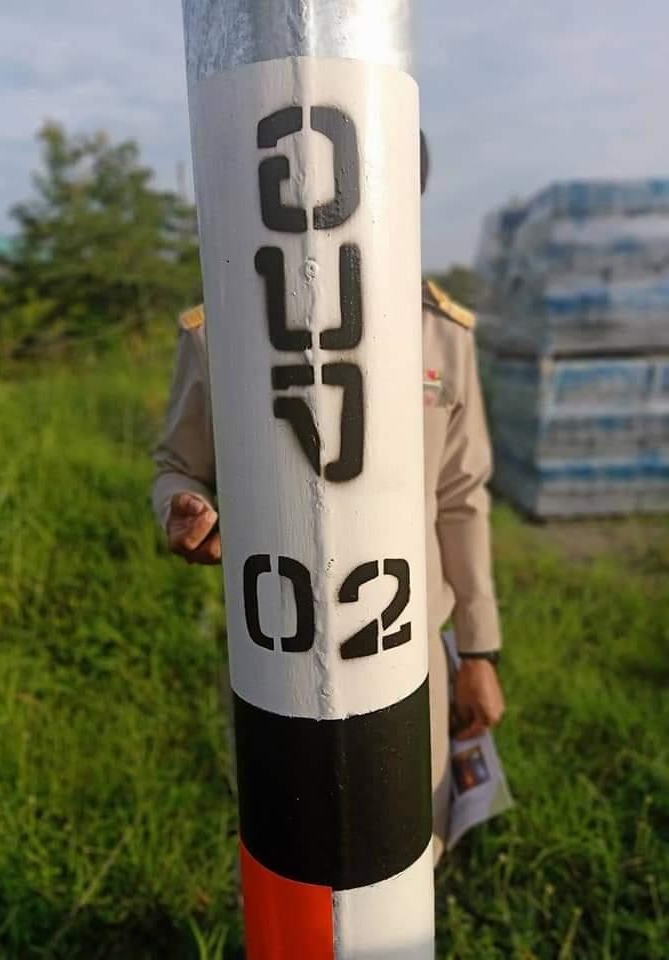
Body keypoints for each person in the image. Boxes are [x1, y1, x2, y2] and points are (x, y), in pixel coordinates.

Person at [152, 134, 505, 864]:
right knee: (293, 848)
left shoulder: (441, 335)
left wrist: (478, 651)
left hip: (406, 646)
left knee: (410, 840)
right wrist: (183, 508)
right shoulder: (225, 332)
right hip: (282, 645)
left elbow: (462, 499)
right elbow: (177, 466)